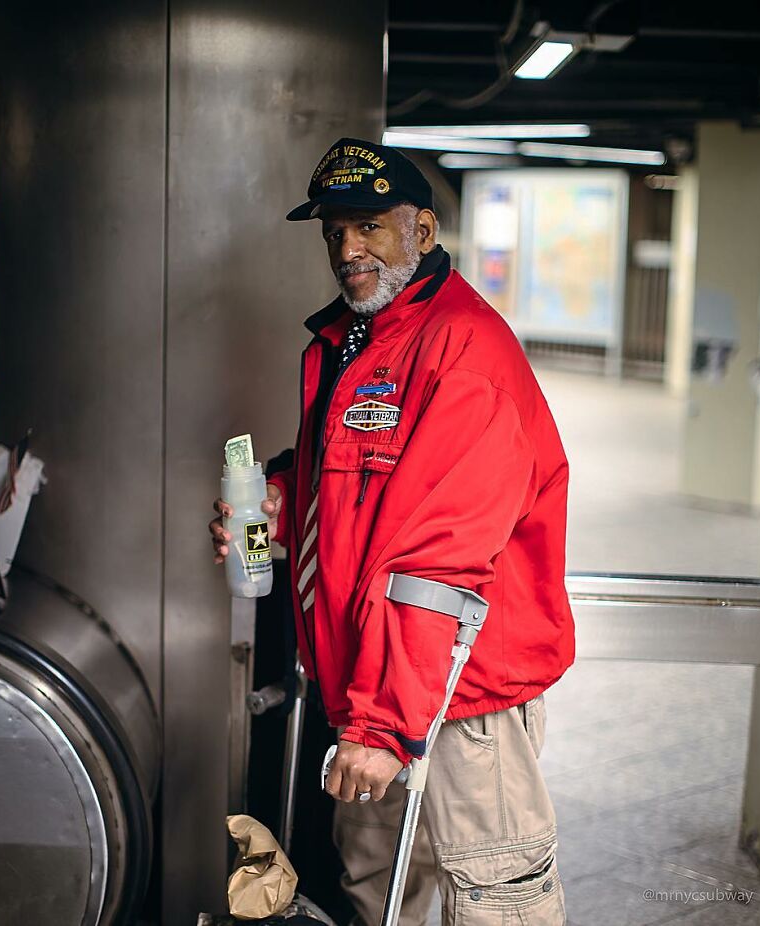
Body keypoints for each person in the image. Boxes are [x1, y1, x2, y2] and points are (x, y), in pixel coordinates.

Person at [210, 137, 574, 926]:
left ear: (424, 231)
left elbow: (438, 560)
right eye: (335, 230)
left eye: (370, 226)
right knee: (377, 892)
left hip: (453, 698)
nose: (348, 249)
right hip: (373, 694)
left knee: (493, 904)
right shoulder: (362, 341)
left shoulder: (462, 351)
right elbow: (353, 483)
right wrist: (278, 499)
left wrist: (381, 728)